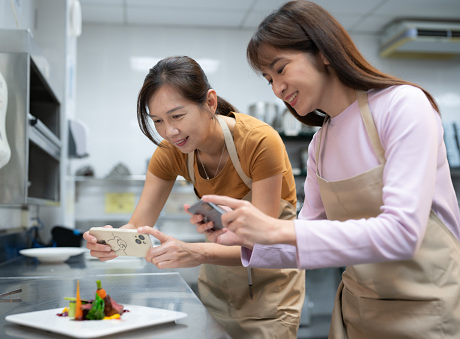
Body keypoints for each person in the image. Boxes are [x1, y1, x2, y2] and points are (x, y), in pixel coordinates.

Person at [195, 1, 460, 338]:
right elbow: (308, 240)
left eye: (281, 69)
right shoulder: (321, 143)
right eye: (268, 79)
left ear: (322, 51)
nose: (277, 88)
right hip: (358, 310)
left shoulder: (403, 105)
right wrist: (249, 239)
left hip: (427, 312)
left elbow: (402, 234)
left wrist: (274, 230)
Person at [83, 55, 305, 338]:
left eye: (177, 116)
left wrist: (193, 252)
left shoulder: (260, 142)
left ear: (210, 102)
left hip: (271, 293)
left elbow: (265, 246)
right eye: (158, 121)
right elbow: (139, 226)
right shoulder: (170, 153)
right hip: (216, 288)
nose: (170, 131)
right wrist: (114, 242)